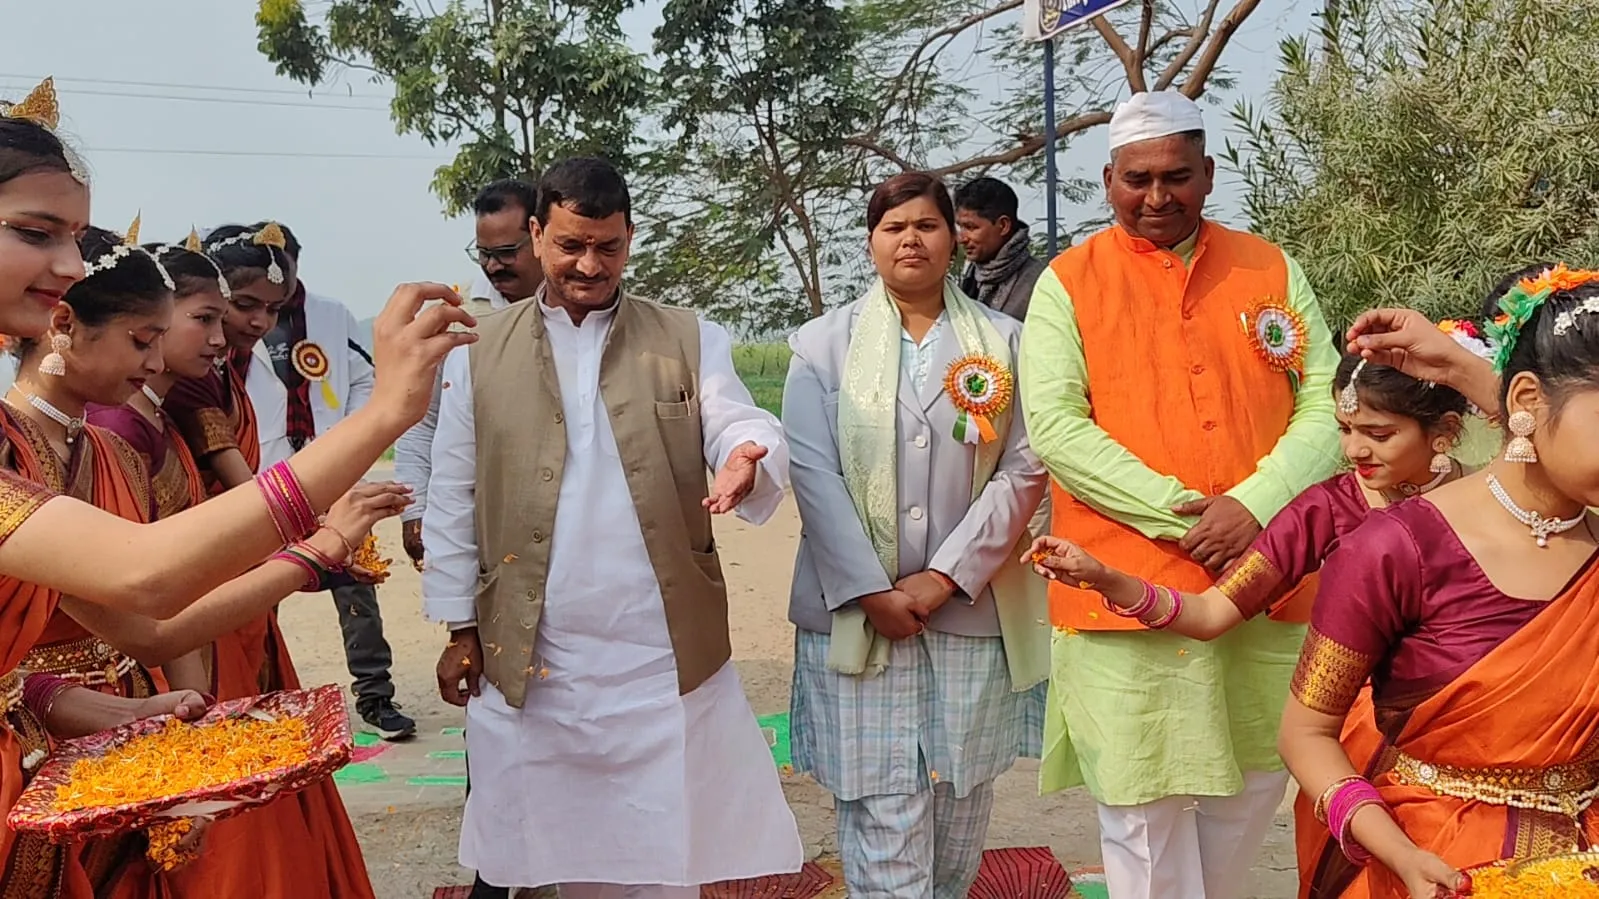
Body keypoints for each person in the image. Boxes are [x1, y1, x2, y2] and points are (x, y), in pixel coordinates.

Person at [0, 76, 472, 898]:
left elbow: (138, 625)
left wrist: (69, 702)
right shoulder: (82, 433)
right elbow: (145, 573)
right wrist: (382, 421)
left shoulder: (62, 442)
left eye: (75, 238)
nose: (69, 265)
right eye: (37, 233)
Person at [424, 156, 803, 897]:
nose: (589, 265)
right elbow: (452, 492)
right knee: (564, 854)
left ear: (630, 239)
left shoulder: (688, 337)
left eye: (608, 246)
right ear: (537, 236)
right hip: (537, 652)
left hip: (656, 656)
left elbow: (736, 420)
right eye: (571, 245)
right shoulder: (477, 352)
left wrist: (747, 455)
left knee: (667, 851)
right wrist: (458, 627)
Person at [1018, 89, 1343, 898]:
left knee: (1253, 783)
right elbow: (1055, 427)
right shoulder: (1067, 282)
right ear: (1108, 180)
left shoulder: (1269, 266)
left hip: (1269, 577)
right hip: (1123, 583)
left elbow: (1326, 398)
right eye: (1137, 179)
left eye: (1176, 176)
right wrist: (1186, 516)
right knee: (1140, 805)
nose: (1157, 196)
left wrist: (1256, 506)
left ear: (1208, 174)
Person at [1024, 353, 1475, 898]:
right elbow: (1212, 612)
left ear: (1445, 432)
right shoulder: (1325, 509)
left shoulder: (1498, 506)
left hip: (1494, 745)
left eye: (1379, 434)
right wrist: (1105, 578)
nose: (1356, 450)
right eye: (1345, 429)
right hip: (1363, 754)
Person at [1277, 266, 1599, 898]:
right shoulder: (1397, 549)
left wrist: (1460, 368)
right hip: (1435, 862)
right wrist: (1398, 853)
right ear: (1526, 401)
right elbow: (1305, 733)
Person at [783, 172, 1049, 898]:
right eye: (893, 227)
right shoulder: (820, 346)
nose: (911, 240)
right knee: (882, 808)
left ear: (953, 238)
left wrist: (945, 576)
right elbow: (812, 475)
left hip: (967, 608)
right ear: (871, 241)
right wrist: (870, 590)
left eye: (927, 226)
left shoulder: (1007, 342)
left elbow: (1026, 466)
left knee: (959, 810)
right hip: (858, 614)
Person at [236, 220, 412, 739]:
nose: (271, 297)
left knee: (356, 586)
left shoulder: (332, 316)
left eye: (284, 271)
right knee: (258, 593)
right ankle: (255, 700)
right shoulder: (236, 325)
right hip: (262, 479)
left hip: (333, 475)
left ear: (295, 263)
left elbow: (366, 381)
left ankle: (376, 697)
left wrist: (346, 440)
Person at [397, 178, 543, 569]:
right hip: (476, 522)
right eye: (483, 253)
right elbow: (420, 421)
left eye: (507, 253)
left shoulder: (581, 311)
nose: (493, 266)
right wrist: (415, 510)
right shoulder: (454, 317)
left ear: (540, 236)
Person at [954, 177, 1046, 321]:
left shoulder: (1040, 282)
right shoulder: (970, 279)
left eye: (971, 227)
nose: (962, 238)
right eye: (960, 227)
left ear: (1003, 226)